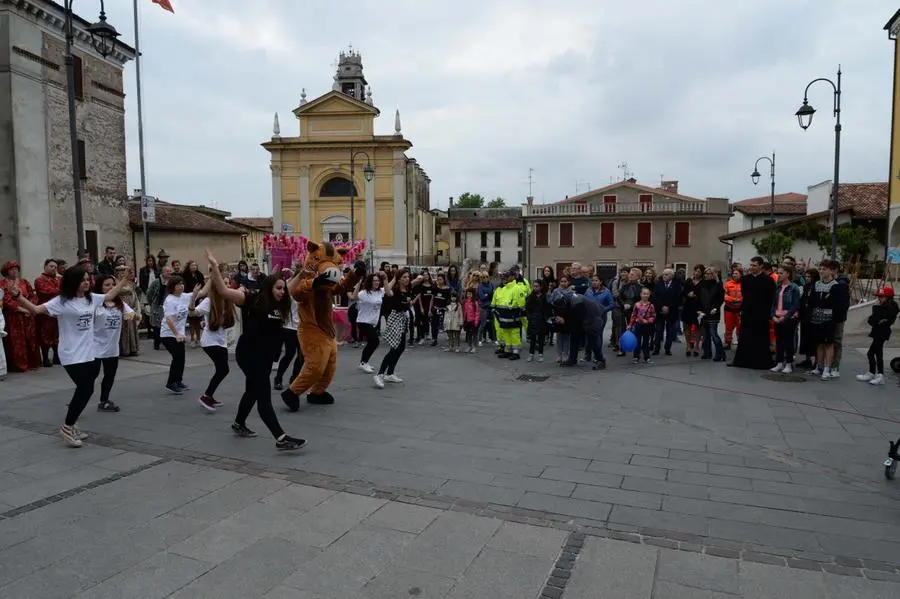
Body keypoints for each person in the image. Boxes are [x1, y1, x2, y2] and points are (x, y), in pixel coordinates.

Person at [11, 265, 128, 447]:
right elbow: (36, 310)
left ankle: (72, 424)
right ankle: (67, 427)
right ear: (74, 282)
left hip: (89, 353)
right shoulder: (62, 301)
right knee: (85, 388)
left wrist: (123, 280)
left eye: (88, 279)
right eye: (83, 280)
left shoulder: (91, 299)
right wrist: (19, 297)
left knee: (85, 389)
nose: (87, 282)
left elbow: (110, 295)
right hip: (71, 354)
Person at [204, 249, 305, 450]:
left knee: (252, 390)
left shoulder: (280, 303)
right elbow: (224, 291)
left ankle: (238, 423)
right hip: (249, 354)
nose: (282, 291)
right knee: (262, 395)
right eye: (278, 288)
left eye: (283, 289)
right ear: (269, 288)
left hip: (266, 356)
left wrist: (302, 272)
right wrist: (215, 268)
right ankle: (280, 438)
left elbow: (290, 286)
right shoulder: (252, 299)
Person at [91, 274, 136, 412]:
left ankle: (104, 400)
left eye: (112, 284)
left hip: (112, 348)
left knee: (109, 375)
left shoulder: (120, 303)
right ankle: (79, 398)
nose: (111, 287)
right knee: (91, 376)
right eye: (107, 285)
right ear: (100, 287)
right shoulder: (94, 303)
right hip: (95, 347)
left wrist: (130, 317)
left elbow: (131, 314)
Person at [374, 269, 424, 389]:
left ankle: (390, 373)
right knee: (395, 348)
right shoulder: (395, 289)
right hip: (395, 318)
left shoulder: (408, 288)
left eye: (408, 277)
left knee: (401, 348)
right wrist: (387, 279)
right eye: (404, 277)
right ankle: (380, 374)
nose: (407, 279)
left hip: (403, 318)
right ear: (399, 278)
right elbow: (387, 292)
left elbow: (416, 281)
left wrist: (420, 278)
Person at [190, 278, 233, 411]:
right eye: (224, 283)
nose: (227, 285)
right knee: (223, 369)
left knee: (222, 369)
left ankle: (209, 396)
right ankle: (206, 396)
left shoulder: (228, 300)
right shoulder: (209, 301)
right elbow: (192, 313)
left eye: (228, 283)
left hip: (221, 341)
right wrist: (193, 297)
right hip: (210, 341)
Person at [729, 256, 776, 369]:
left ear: (760, 266)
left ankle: (760, 362)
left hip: (761, 314)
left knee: (760, 338)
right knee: (745, 337)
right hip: (748, 313)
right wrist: (743, 310)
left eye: (754, 265)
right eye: (751, 265)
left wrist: (769, 313)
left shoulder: (768, 280)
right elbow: (745, 295)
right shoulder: (746, 279)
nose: (752, 267)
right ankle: (742, 361)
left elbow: (771, 298)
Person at [806, 259, 850, 380]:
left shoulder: (837, 286)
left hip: (829, 318)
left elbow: (839, 305)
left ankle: (827, 368)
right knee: (819, 343)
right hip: (816, 317)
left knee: (829, 343)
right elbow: (812, 302)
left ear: (831, 271)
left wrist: (836, 318)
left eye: (824, 269)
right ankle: (819, 366)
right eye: (820, 269)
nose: (821, 271)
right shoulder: (817, 284)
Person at [160, 274, 201, 394]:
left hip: (180, 334)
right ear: (172, 287)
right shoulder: (169, 300)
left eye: (182, 284)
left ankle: (178, 381)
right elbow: (169, 319)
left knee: (181, 359)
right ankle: (171, 383)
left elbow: (199, 294)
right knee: (177, 357)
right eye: (178, 285)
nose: (181, 286)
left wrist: (195, 292)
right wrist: (176, 333)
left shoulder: (184, 296)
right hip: (168, 334)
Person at [1, 261, 41, 372]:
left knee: (31, 338)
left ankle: (33, 362)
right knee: (17, 341)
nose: (15, 271)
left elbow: (33, 295)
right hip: (14, 317)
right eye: (11, 269)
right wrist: (24, 310)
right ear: (6, 271)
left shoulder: (24, 281)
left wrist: (31, 308)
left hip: (29, 314)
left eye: (16, 269)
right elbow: (7, 301)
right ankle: (19, 365)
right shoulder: (3, 284)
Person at [552, 291, 607, 370]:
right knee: (574, 336)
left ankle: (601, 360)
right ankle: (572, 359)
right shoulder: (567, 300)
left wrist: (564, 321)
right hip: (586, 316)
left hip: (595, 316)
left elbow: (576, 320)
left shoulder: (576, 303)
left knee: (592, 339)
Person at [856, 287, 899, 386]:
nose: (879, 299)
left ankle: (880, 375)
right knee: (872, 353)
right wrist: (877, 314)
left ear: (888, 297)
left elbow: (886, 317)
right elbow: (872, 320)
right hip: (877, 331)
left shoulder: (891, 307)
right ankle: (873, 373)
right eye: (879, 296)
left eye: (881, 296)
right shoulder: (879, 306)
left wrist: (879, 316)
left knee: (876, 354)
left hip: (882, 332)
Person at [770, 264, 802, 374]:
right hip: (777, 317)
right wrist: (773, 315)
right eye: (778, 273)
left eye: (781, 273)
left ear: (787, 274)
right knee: (779, 341)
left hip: (789, 318)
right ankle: (779, 362)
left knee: (788, 341)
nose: (779, 275)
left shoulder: (794, 288)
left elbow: (795, 305)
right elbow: (773, 303)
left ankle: (788, 363)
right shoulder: (778, 287)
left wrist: (785, 317)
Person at [34, 258, 61, 367]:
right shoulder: (39, 279)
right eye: (51, 266)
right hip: (45, 310)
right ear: (45, 267)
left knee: (57, 333)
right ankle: (45, 357)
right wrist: (60, 291)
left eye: (55, 267)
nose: (54, 269)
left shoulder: (59, 279)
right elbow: (45, 291)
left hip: (58, 309)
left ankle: (56, 356)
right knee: (45, 334)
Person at [696, 267, 726, 362]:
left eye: (709, 273)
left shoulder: (717, 285)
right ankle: (707, 353)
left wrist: (716, 308)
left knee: (714, 334)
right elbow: (698, 298)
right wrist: (698, 310)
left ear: (713, 275)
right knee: (706, 335)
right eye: (705, 273)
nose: (707, 275)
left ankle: (720, 354)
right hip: (703, 312)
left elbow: (721, 299)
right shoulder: (701, 284)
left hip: (713, 312)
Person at [652, 268, 682, 356]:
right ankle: (656, 349)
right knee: (658, 331)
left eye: (666, 275)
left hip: (671, 311)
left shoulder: (677, 285)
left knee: (670, 331)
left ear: (672, 276)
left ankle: (667, 349)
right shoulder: (658, 284)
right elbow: (655, 297)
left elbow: (678, 298)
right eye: (663, 274)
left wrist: (668, 307)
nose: (664, 276)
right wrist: (661, 307)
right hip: (660, 312)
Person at [628, 287, 656, 364]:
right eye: (644, 293)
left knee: (646, 342)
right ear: (641, 294)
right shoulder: (637, 305)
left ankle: (646, 357)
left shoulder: (651, 305)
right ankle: (636, 357)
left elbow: (653, 316)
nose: (646, 295)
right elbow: (633, 315)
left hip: (647, 326)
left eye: (647, 294)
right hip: (638, 325)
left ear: (649, 295)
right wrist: (630, 325)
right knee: (637, 342)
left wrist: (648, 321)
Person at [723, 267, 742, 350]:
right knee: (728, 327)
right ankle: (728, 343)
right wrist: (734, 299)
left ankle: (740, 343)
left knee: (740, 328)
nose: (734, 275)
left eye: (736, 273)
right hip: (729, 309)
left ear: (741, 275)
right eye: (733, 273)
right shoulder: (728, 284)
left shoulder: (744, 284)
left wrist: (740, 300)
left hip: (739, 310)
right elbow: (724, 296)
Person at [462, 287, 480, 354]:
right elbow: (464, 312)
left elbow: (477, 313)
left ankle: (475, 347)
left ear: (473, 294)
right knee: (468, 334)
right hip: (467, 321)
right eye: (467, 294)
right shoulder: (465, 302)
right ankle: (469, 346)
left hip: (473, 321)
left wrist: (476, 322)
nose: (468, 295)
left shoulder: (475, 302)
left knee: (474, 335)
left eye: (470, 294)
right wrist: (464, 320)